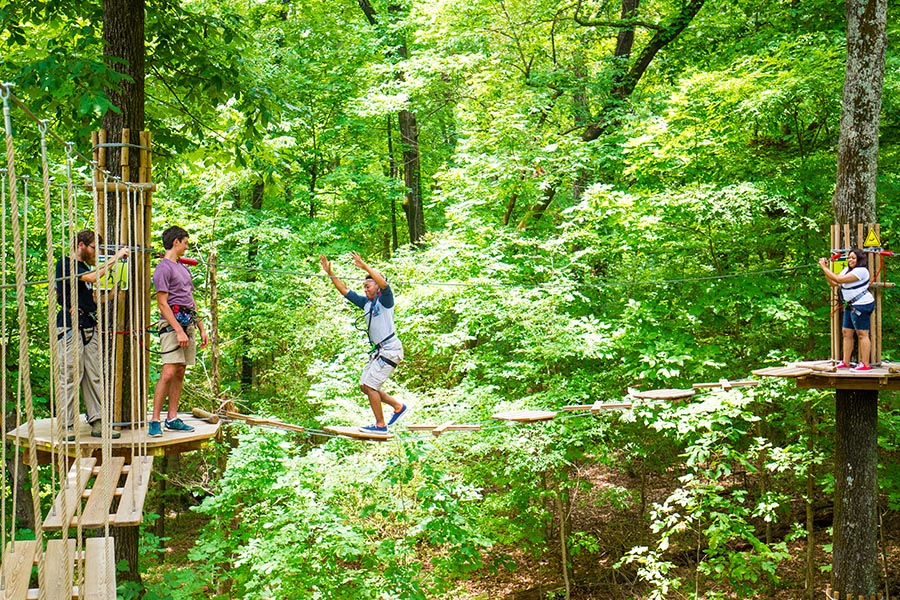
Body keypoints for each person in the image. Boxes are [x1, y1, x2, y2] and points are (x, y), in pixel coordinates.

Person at [320, 252, 407, 434]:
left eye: (368, 286)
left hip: (390, 349)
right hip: (379, 352)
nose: (365, 290)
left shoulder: (385, 300)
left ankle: (380, 425)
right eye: (364, 287)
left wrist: (365, 266)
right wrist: (330, 273)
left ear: (377, 286)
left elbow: (384, 283)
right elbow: (344, 290)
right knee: (364, 387)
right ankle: (397, 406)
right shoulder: (365, 303)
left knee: (370, 386)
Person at [55, 230, 128, 439]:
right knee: (71, 374)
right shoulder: (66, 264)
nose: (96, 253)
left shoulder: (84, 267)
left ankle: (97, 421)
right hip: (70, 326)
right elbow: (93, 277)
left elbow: (90, 300)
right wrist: (115, 258)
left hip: (87, 323)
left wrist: (111, 295)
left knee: (94, 375)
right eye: (94, 248)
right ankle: (67, 424)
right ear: (81, 245)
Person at [149, 226, 208, 437]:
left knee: (181, 371)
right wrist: (178, 331)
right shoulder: (163, 268)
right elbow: (162, 303)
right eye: (185, 243)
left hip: (188, 323)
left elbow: (190, 300)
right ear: (176, 242)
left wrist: (200, 327)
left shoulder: (183, 268)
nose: (186, 247)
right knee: (168, 372)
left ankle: (172, 417)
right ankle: (155, 420)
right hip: (171, 325)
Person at [819, 248, 876, 372]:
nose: (850, 260)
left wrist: (825, 268)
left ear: (860, 259)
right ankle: (845, 362)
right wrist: (825, 271)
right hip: (851, 305)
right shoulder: (846, 270)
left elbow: (839, 280)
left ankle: (865, 364)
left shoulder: (861, 271)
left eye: (853, 258)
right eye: (849, 258)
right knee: (846, 333)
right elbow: (834, 283)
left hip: (862, 304)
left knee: (862, 334)